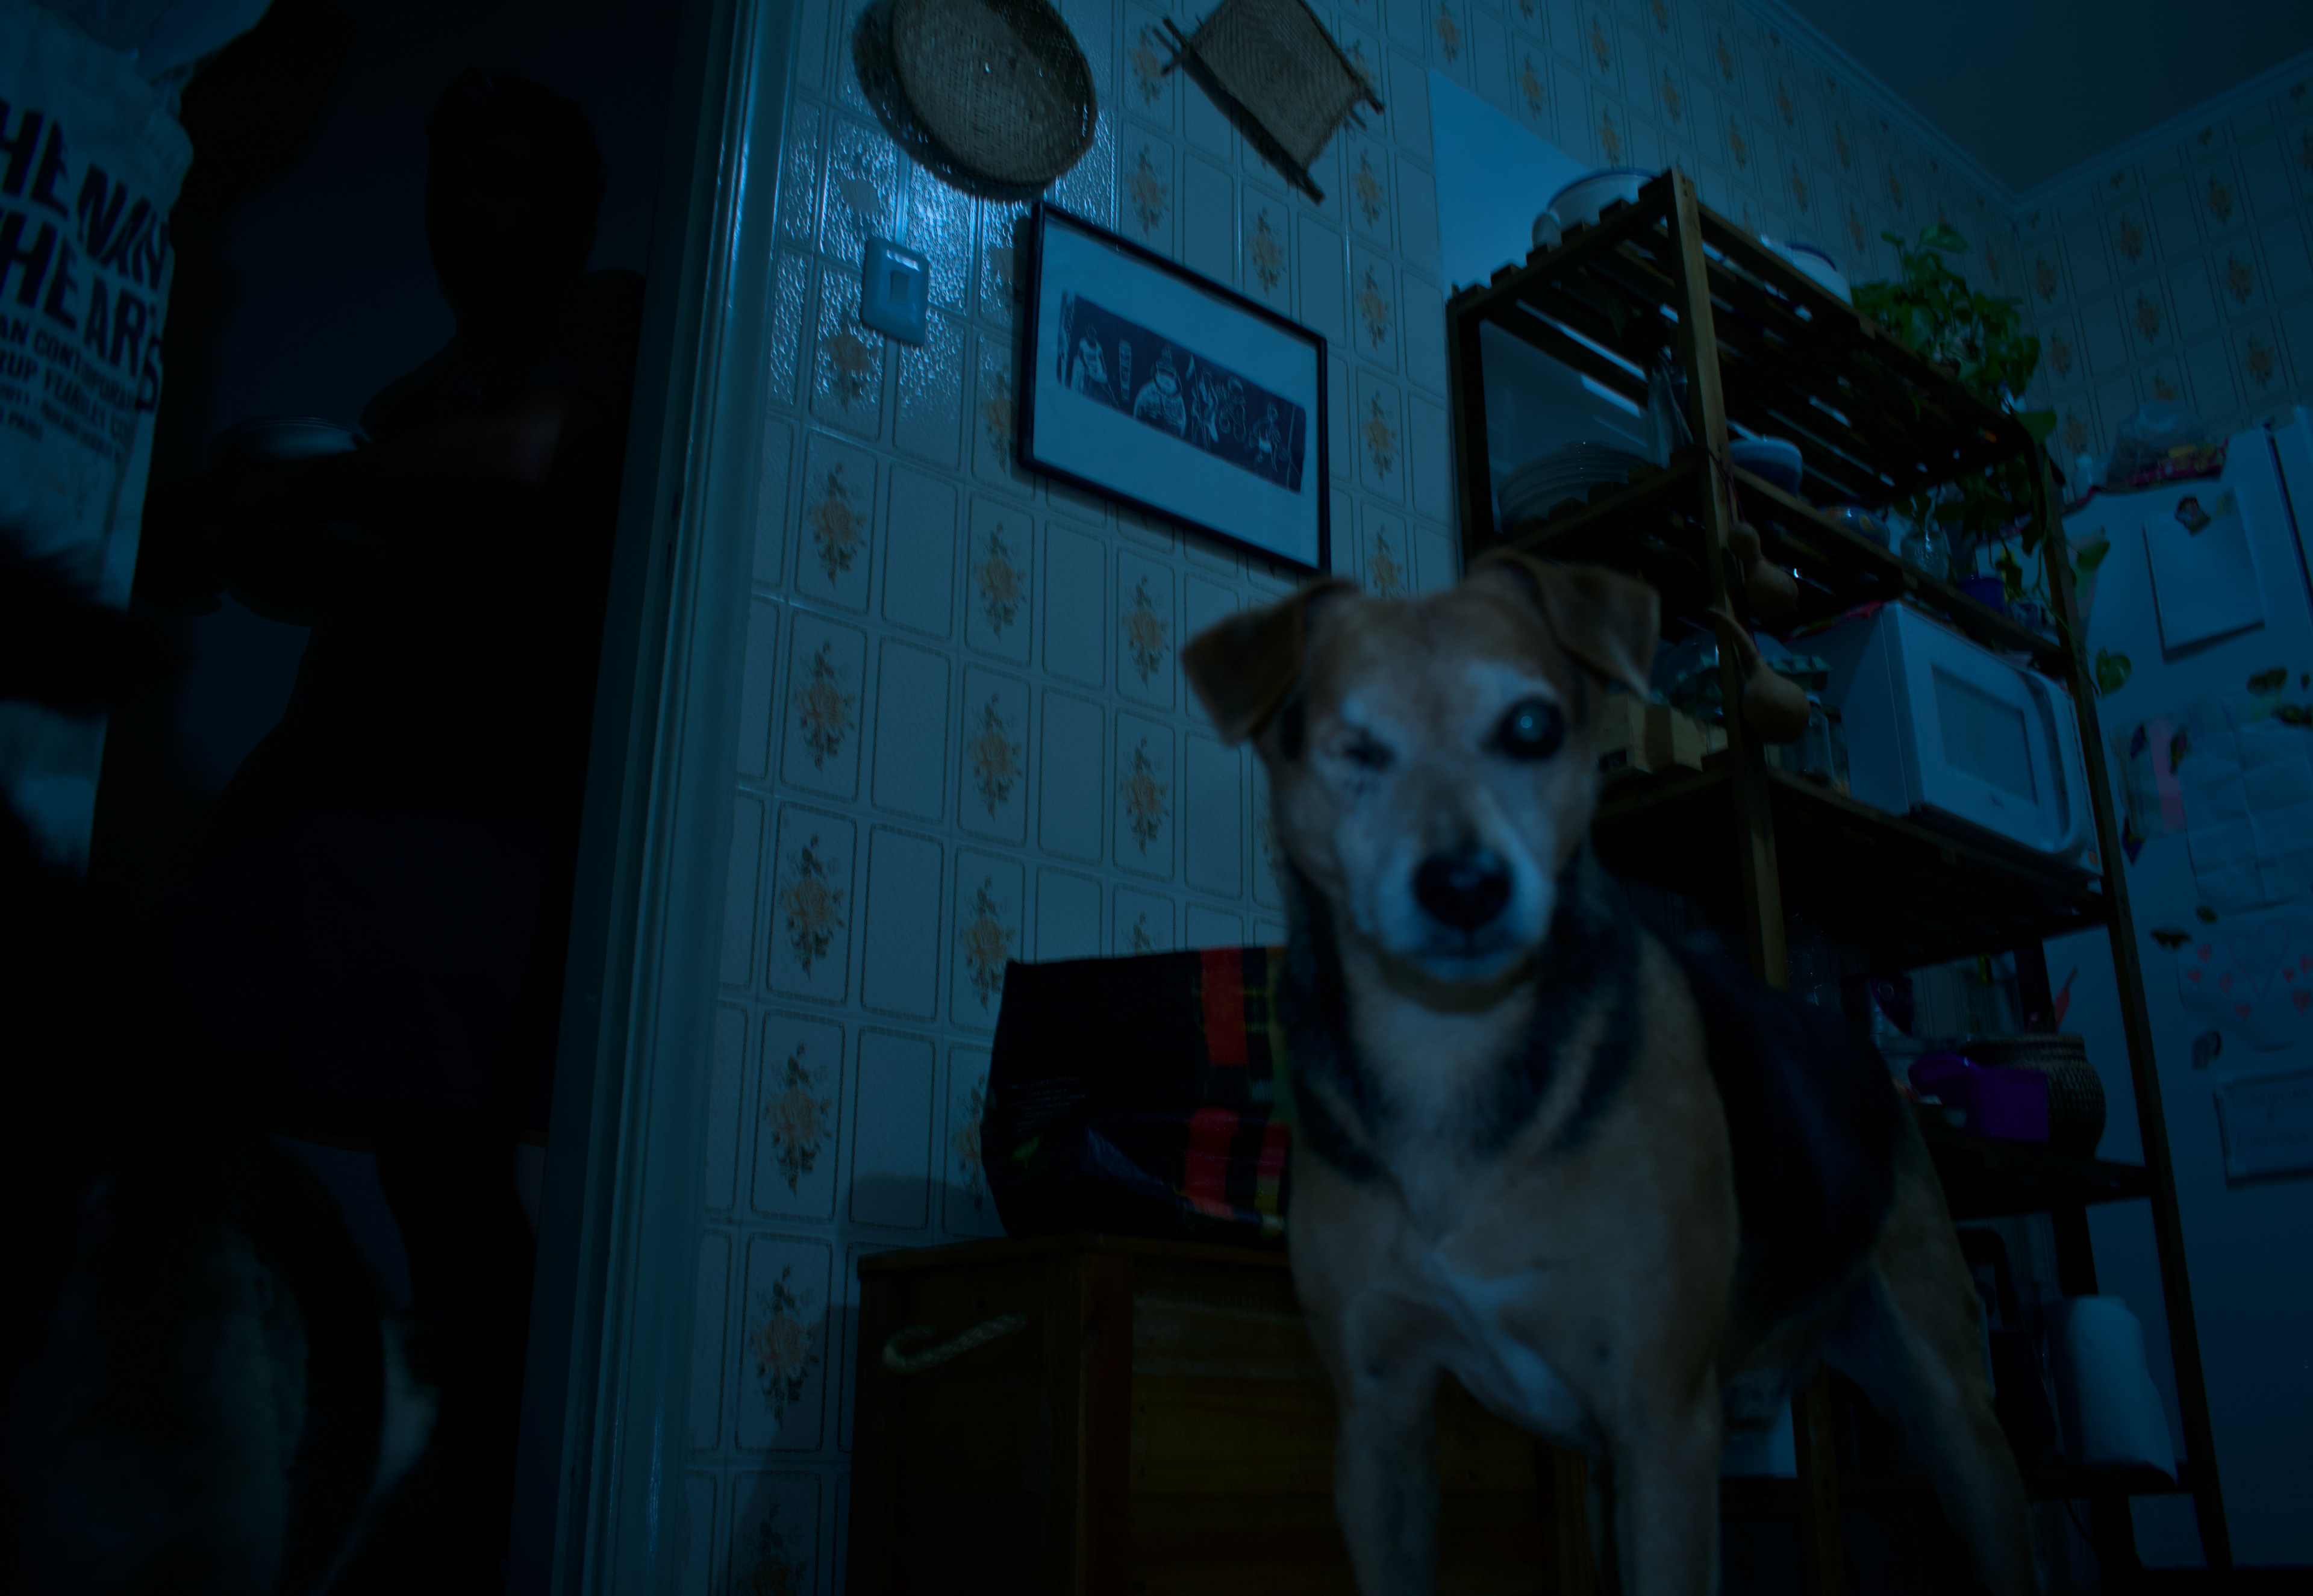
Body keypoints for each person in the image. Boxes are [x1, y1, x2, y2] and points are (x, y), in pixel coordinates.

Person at [138, 69, 645, 1594]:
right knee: (198, 1079)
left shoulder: (606, 314)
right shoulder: (419, 388)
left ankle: (466, 1516)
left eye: (505, 177)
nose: (468, 207)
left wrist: (276, 498)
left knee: (449, 1184)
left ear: (569, 208)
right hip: (347, 781)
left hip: (474, 811)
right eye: (452, 179)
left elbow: (536, 454)